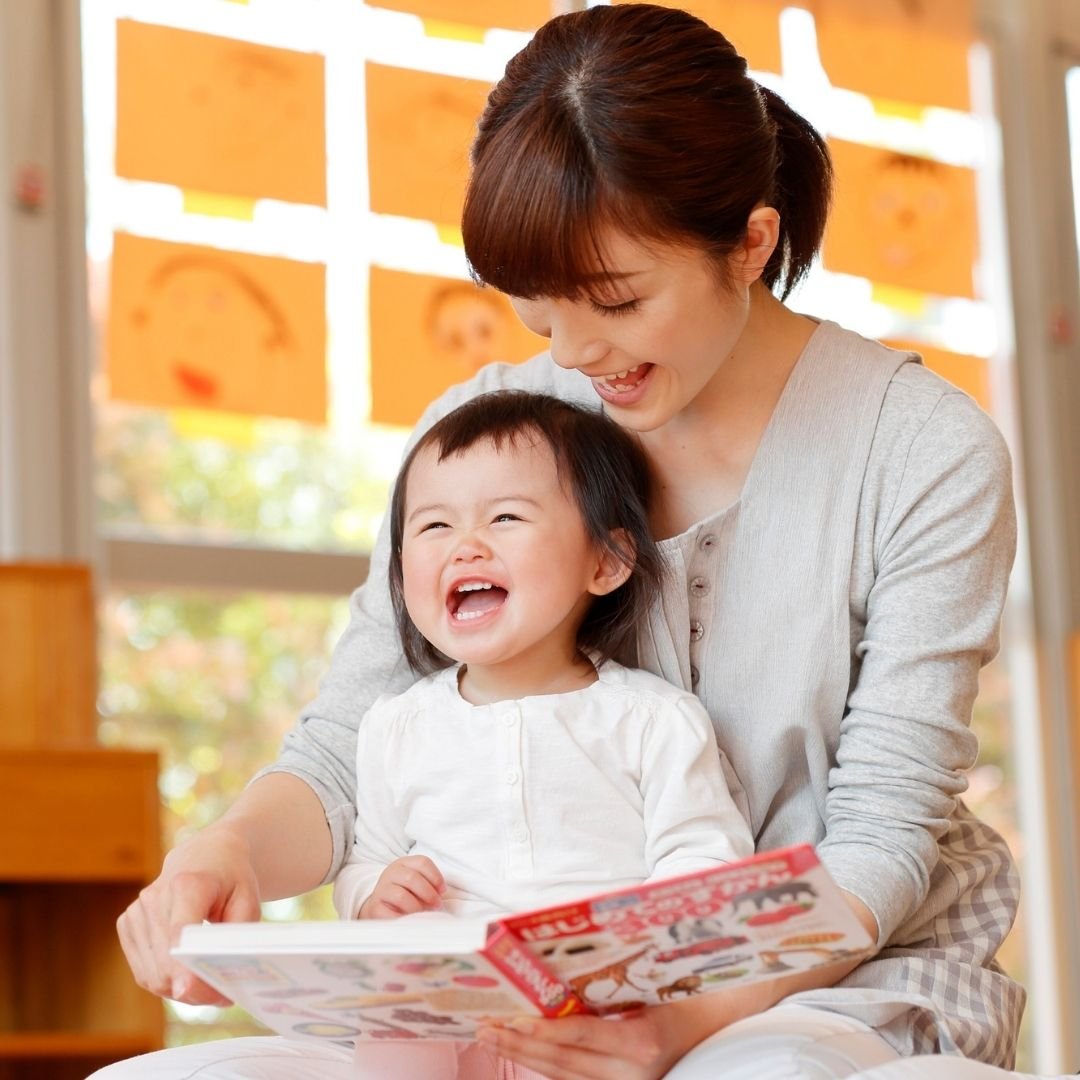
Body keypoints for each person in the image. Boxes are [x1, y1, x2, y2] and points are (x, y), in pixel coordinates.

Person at [100, 4, 1065, 1078]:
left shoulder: (923, 451)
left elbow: (880, 843)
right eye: (536, 308)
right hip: (505, 999)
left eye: (613, 299)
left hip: (832, 983)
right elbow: (348, 746)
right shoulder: (488, 426)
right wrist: (226, 849)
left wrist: (675, 1025)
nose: (574, 352)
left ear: (751, 242)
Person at [333, 389, 753, 1079]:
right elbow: (364, 859)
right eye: (434, 527)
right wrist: (377, 893)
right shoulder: (398, 725)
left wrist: (630, 937)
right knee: (401, 988)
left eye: (505, 518)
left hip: (593, 1002)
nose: (466, 544)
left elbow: (705, 863)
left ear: (606, 562)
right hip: (449, 1006)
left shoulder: (651, 720)